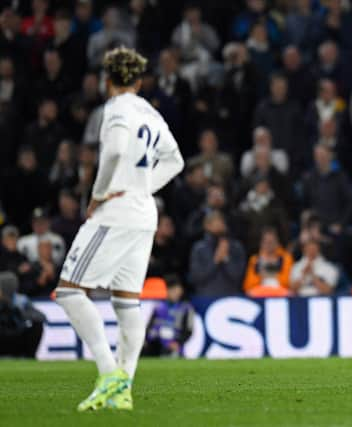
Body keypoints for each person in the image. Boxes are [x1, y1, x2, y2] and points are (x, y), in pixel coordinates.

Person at [55, 47, 184, 411]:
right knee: (126, 302)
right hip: (145, 212)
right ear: (139, 80)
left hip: (116, 210)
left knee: (69, 292)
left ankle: (109, 371)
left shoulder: (116, 109)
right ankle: (123, 387)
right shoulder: (150, 112)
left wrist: (97, 196)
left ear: (106, 79)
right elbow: (175, 161)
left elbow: (112, 153)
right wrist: (144, 187)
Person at [142, 275, 194, 357]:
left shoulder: (186, 308)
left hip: (175, 345)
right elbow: (150, 326)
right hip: (156, 344)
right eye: (173, 290)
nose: (175, 293)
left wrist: (177, 342)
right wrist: (146, 340)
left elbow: (188, 330)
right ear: (167, 291)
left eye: (177, 290)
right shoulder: (158, 306)